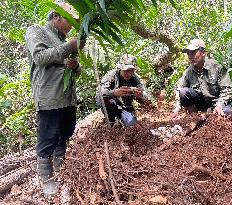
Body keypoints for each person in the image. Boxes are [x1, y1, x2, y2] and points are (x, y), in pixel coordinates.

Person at [25, 2, 85, 195]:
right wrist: (69, 46)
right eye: (70, 20)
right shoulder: (37, 31)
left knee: (65, 133)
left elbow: (76, 71)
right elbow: (40, 57)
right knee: (48, 137)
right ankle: (46, 178)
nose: (72, 26)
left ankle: (60, 166)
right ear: (57, 16)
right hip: (50, 96)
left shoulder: (63, 40)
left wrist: (75, 66)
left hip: (67, 97)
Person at [172, 39, 232, 119]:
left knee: (227, 112)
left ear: (203, 53)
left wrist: (219, 104)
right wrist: (177, 109)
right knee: (183, 92)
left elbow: (227, 89)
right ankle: (194, 118)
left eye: (193, 52)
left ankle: (210, 116)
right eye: (188, 53)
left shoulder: (216, 67)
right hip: (199, 104)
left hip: (216, 102)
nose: (190, 56)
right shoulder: (189, 71)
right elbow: (179, 88)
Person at [97, 54, 148, 127]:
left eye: (131, 71)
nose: (129, 74)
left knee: (131, 125)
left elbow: (145, 96)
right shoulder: (111, 75)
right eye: (126, 70)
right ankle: (111, 120)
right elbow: (100, 93)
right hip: (112, 105)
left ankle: (121, 119)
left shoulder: (135, 78)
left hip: (126, 107)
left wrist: (140, 95)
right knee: (106, 100)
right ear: (120, 68)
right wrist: (114, 93)